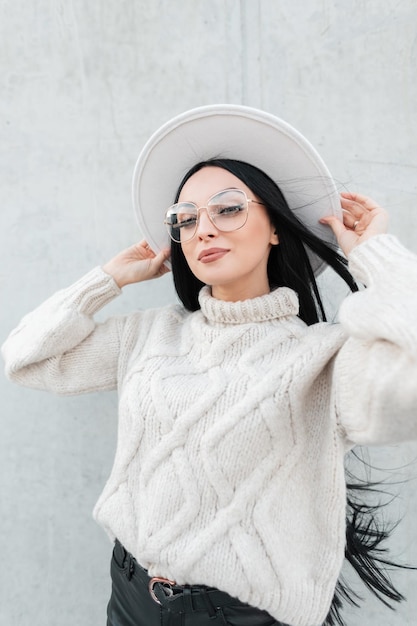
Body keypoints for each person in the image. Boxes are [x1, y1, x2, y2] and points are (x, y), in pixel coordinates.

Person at [2, 104, 417, 626]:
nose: (204, 229)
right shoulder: (151, 334)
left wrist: (377, 255)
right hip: (129, 595)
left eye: (227, 208)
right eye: (186, 218)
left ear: (274, 226)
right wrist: (106, 279)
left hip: (232, 617)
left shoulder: (323, 361)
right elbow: (26, 358)